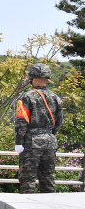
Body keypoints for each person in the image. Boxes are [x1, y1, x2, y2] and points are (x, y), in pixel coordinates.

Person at [14, 63, 64, 194]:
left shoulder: (27, 97)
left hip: (31, 143)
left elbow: (21, 122)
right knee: (48, 179)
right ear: (47, 78)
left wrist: (18, 142)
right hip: (50, 142)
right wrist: (49, 134)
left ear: (33, 78)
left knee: (28, 180)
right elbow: (59, 122)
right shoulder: (56, 98)